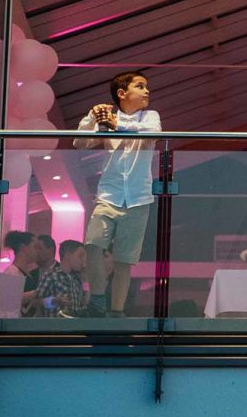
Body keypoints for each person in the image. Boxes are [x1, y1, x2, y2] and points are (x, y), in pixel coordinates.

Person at [71, 71, 161, 318]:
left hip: (139, 199)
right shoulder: (105, 117)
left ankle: (116, 311)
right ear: (122, 93)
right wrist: (92, 118)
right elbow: (80, 143)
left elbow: (151, 133)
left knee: (124, 261)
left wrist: (116, 124)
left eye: (146, 87)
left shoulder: (150, 116)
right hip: (108, 195)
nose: (147, 91)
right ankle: (97, 301)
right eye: (140, 86)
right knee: (92, 245)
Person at [38, 240, 89, 317]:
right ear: (67, 255)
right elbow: (36, 301)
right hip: (55, 325)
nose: (83, 261)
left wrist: (85, 280)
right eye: (80, 256)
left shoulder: (77, 278)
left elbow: (85, 301)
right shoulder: (51, 275)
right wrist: (54, 301)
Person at [0, 230, 39, 318]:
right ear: (23, 248)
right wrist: (35, 293)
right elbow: (8, 301)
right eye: (35, 247)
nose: (38, 251)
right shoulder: (11, 272)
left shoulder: (29, 274)